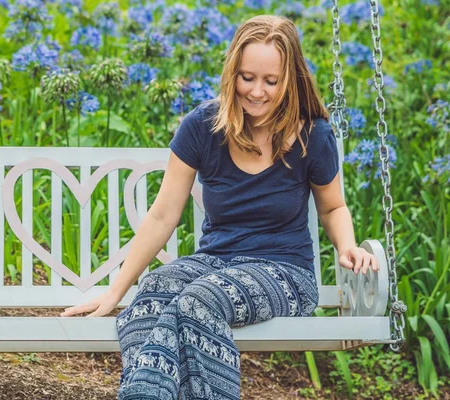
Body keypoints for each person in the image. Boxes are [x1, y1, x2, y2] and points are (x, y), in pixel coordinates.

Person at [60, 14, 379, 400]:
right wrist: (115, 293)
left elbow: (332, 208)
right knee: (152, 295)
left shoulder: (312, 134)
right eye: (248, 77)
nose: (257, 91)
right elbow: (163, 214)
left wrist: (346, 245)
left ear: (290, 80)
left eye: (271, 81)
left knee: (199, 301)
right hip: (215, 262)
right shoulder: (203, 126)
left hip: (285, 271)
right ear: (232, 74)